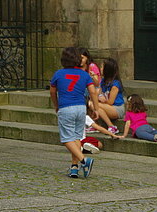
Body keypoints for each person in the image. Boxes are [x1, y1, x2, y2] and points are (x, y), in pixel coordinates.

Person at [50, 47, 100, 178]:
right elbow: (93, 91)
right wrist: (96, 108)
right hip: (81, 108)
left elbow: (52, 92)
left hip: (66, 107)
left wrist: (56, 105)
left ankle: (84, 160)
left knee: (66, 139)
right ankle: (74, 167)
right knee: (77, 138)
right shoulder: (84, 74)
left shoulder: (58, 74)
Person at [94, 58, 125, 134]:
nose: (100, 69)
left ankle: (111, 126)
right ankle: (96, 125)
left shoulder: (115, 84)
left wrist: (103, 100)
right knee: (92, 103)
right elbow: (98, 93)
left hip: (117, 108)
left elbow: (110, 102)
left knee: (94, 104)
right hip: (106, 106)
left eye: (102, 67)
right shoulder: (103, 81)